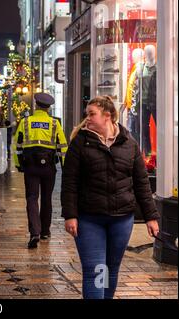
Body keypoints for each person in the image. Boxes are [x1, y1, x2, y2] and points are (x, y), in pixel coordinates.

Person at [61, 95, 160, 299]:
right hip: (89, 219)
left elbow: (142, 183)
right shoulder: (80, 143)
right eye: (87, 114)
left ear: (107, 116)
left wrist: (151, 217)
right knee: (96, 270)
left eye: (91, 114)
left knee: (111, 269)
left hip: (122, 219)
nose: (87, 118)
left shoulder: (129, 143)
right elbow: (69, 182)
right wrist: (70, 215)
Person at [14, 92, 68, 249]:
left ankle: (34, 232)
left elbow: (17, 147)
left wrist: (19, 164)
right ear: (48, 108)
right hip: (49, 167)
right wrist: (65, 167)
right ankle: (45, 231)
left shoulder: (25, 122)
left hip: (30, 166)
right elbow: (63, 147)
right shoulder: (54, 124)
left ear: (36, 105)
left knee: (31, 198)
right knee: (46, 198)